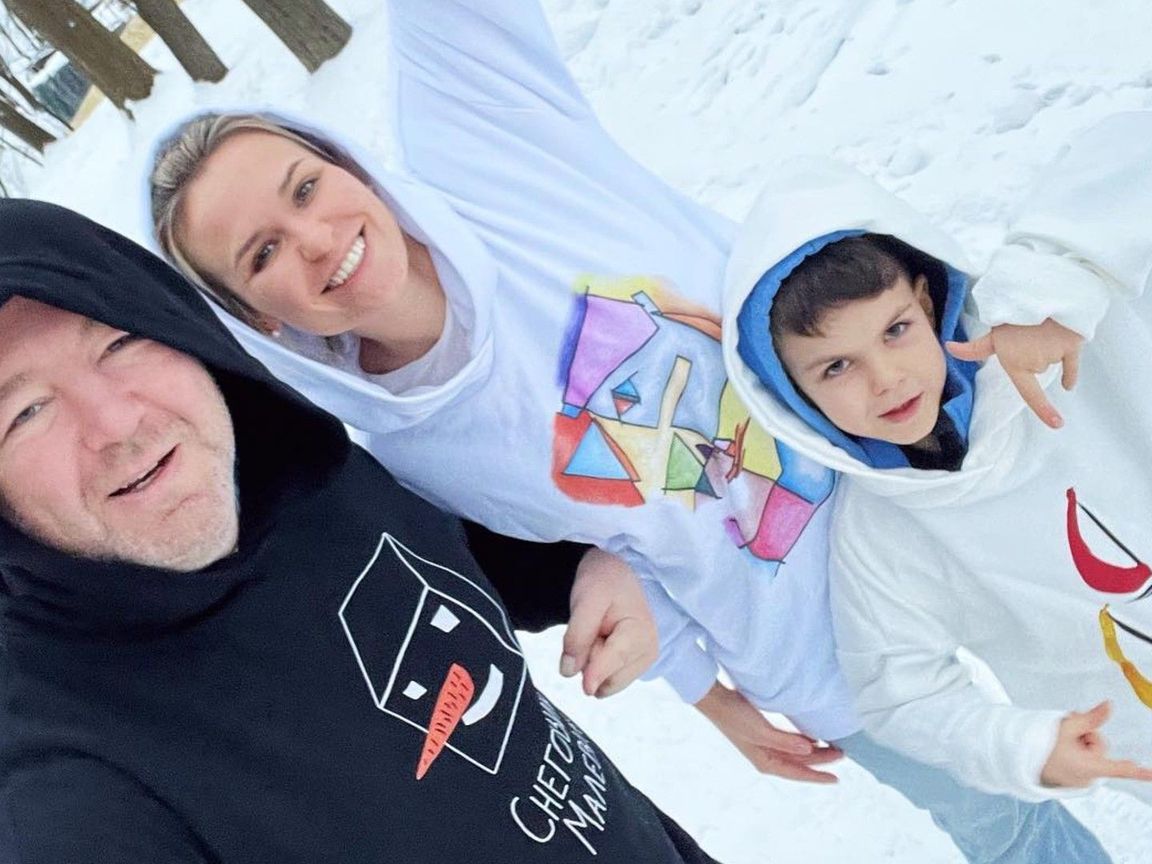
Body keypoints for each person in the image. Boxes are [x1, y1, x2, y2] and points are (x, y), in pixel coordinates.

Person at [145, 0, 1109, 859]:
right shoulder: (402, 456)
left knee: (1120, 671)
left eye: (304, 187)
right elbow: (614, 547)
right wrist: (708, 693)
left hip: (934, 480)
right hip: (833, 648)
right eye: (262, 252)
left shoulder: (490, 155)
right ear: (253, 316)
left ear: (344, 163)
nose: (317, 239)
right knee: (1013, 824)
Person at [0, 197, 722, 864]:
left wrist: (574, 568)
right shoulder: (67, 780)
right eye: (25, 412)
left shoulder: (296, 472)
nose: (116, 423)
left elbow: (434, 547)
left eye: (121, 341)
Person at [722, 111, 1152, 806]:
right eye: (836, 367)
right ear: (789, 393)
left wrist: (1055, 276)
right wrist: (1022, 746)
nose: (886, 379)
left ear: (927, 302)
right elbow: (901, 696)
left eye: (895, 330)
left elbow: (1131, 143)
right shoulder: (880, 534)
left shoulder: (1063, 331)